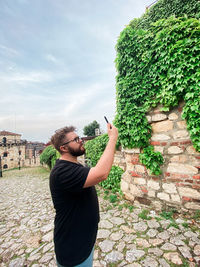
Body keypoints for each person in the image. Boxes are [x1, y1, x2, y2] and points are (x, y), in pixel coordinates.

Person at [49, 123, 118, 267]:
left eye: (79, 137)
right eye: (75, 140)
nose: (81, 140)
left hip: (84, 240)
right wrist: (112, 139)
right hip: (73, 246)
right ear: (63, 148)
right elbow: (101, 173)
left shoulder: (75, 166)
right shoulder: (62, 172)